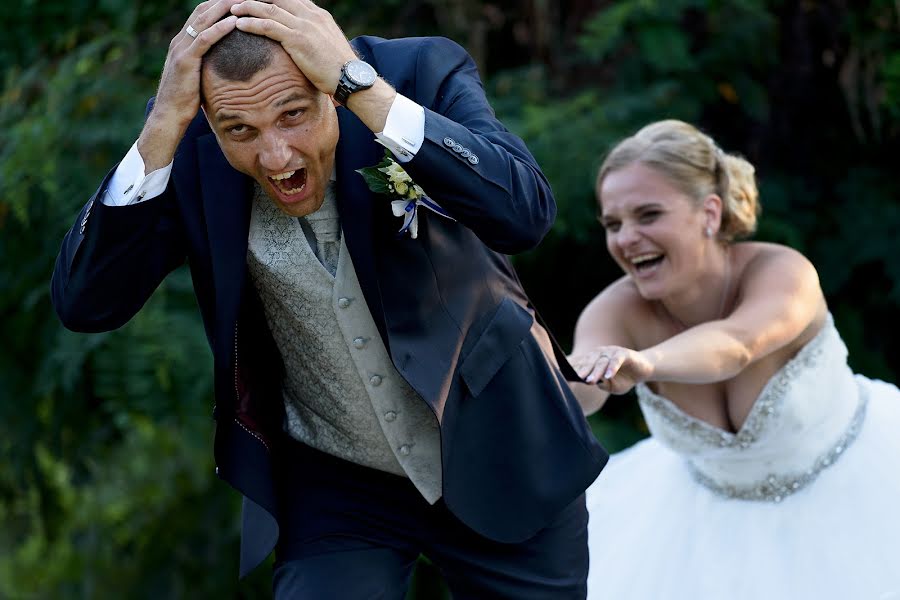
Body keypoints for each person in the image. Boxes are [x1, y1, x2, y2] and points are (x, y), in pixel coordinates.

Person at [51, 0, 609, 597]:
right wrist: (163, 122)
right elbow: (87, 303)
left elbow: (523, 213)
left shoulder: (418, 71)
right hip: (337, 479)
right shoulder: (187, 134)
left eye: (293, 115)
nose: (276, 156)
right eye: (240, 131)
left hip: (500, 440)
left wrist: (360, 89)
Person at [568, 119, 900, 599]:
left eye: (648, 215)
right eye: (613, 225)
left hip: (863, 497)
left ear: (709, 212)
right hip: (696, 535)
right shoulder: (616, 309)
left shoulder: (782, 272)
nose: (626, 239)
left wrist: (646, 362)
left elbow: (736, 344)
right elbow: (579, 388)